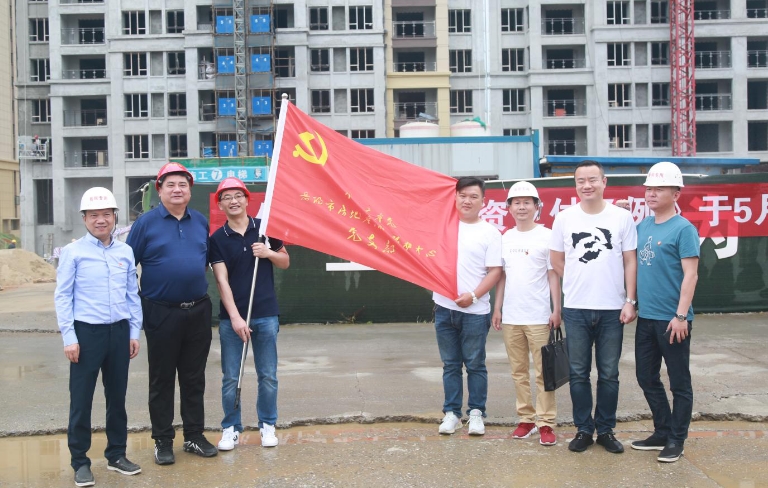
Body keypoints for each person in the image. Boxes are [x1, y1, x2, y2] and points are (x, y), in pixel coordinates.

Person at [126, 162, 217, 465]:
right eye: (171, 185)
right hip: (160, 312)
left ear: (189, 190)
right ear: (160, 190)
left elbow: (205, 262)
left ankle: (194, 435)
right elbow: (126, 267)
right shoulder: (145, 224)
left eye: (182, 185)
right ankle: (163, 440)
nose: (177, 190)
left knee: (194, 378)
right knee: (162, 378)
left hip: (198, 311)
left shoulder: (200, 221)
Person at [54, 187, 142, 487]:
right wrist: (69, 337)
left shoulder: (125, 252)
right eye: (94, 215)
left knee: (117, 398)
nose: (101, 220)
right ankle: (80, 462)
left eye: (106, 214)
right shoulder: (73, 252)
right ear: (84, 218)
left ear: (115, 216)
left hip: (119, 332)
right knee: (81, 400)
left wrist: (133, 332)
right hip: (86, 334)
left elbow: (132, 295)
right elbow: (63, 296)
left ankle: (116, 455)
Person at [549, 160, 638, 454]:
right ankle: (584, 430)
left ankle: (607, 430)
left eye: (592, 180)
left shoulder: (621, 217)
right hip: (576, 308)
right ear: (575, 185)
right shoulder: (564, 218)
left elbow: (630, 260)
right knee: (578, 373)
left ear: (604, 182)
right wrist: (576, 280)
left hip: (613, 309)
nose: (586, 185)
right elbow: (556, 259)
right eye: (580, 181)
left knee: (609, 373)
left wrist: (630, 300)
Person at [208, 178, 290, 450]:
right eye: (227, 197)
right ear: (220, 204)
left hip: (265, 314)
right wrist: (235, 317)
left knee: (268, 374)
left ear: (246, 199)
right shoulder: (217, 239)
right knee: (231, 376)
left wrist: (267, 253)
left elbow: (285, 261)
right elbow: (221, 280)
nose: (233, 201)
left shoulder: (265, 229)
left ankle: (267, 424)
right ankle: (231, 427)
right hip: (232, 319)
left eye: (238, 196)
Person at [630, 162, 699, 463]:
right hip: (646, 317)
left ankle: (676, 439)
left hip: (673, 320)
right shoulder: (643, 226)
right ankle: (662, 430)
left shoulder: (684, 229)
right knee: (645, 376)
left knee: (679, 382)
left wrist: (681, 316)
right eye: (649, 189)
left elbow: (691, 275)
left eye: (659, 189)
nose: (651, 194)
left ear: (676, 193)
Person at [492, 181, 561, 446]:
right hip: (511, 317)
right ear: (509, 208)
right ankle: (526, 419)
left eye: (527, 202)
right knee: (518, 372)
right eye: (516, 203)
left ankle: (546, 422)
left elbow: (553, 275)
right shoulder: (505, 238)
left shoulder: (547, 236)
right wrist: (497, 308)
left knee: (545, 372)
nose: (522, 207)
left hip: (539, 317)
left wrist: (556, 309)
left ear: (536, 206)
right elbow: (502, 277)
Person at [433, 177, 502, 436]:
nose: (467, 201)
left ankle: (476, 413)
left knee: (475, 364)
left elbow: (495, 271)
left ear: (483, 201)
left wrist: (473, 296)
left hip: (475, 311)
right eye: (462, 195)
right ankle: (452, 413)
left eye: (473, 196)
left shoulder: (490, 233)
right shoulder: (442, 227)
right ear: (454, 198)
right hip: (444, 308)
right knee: (450, 364)